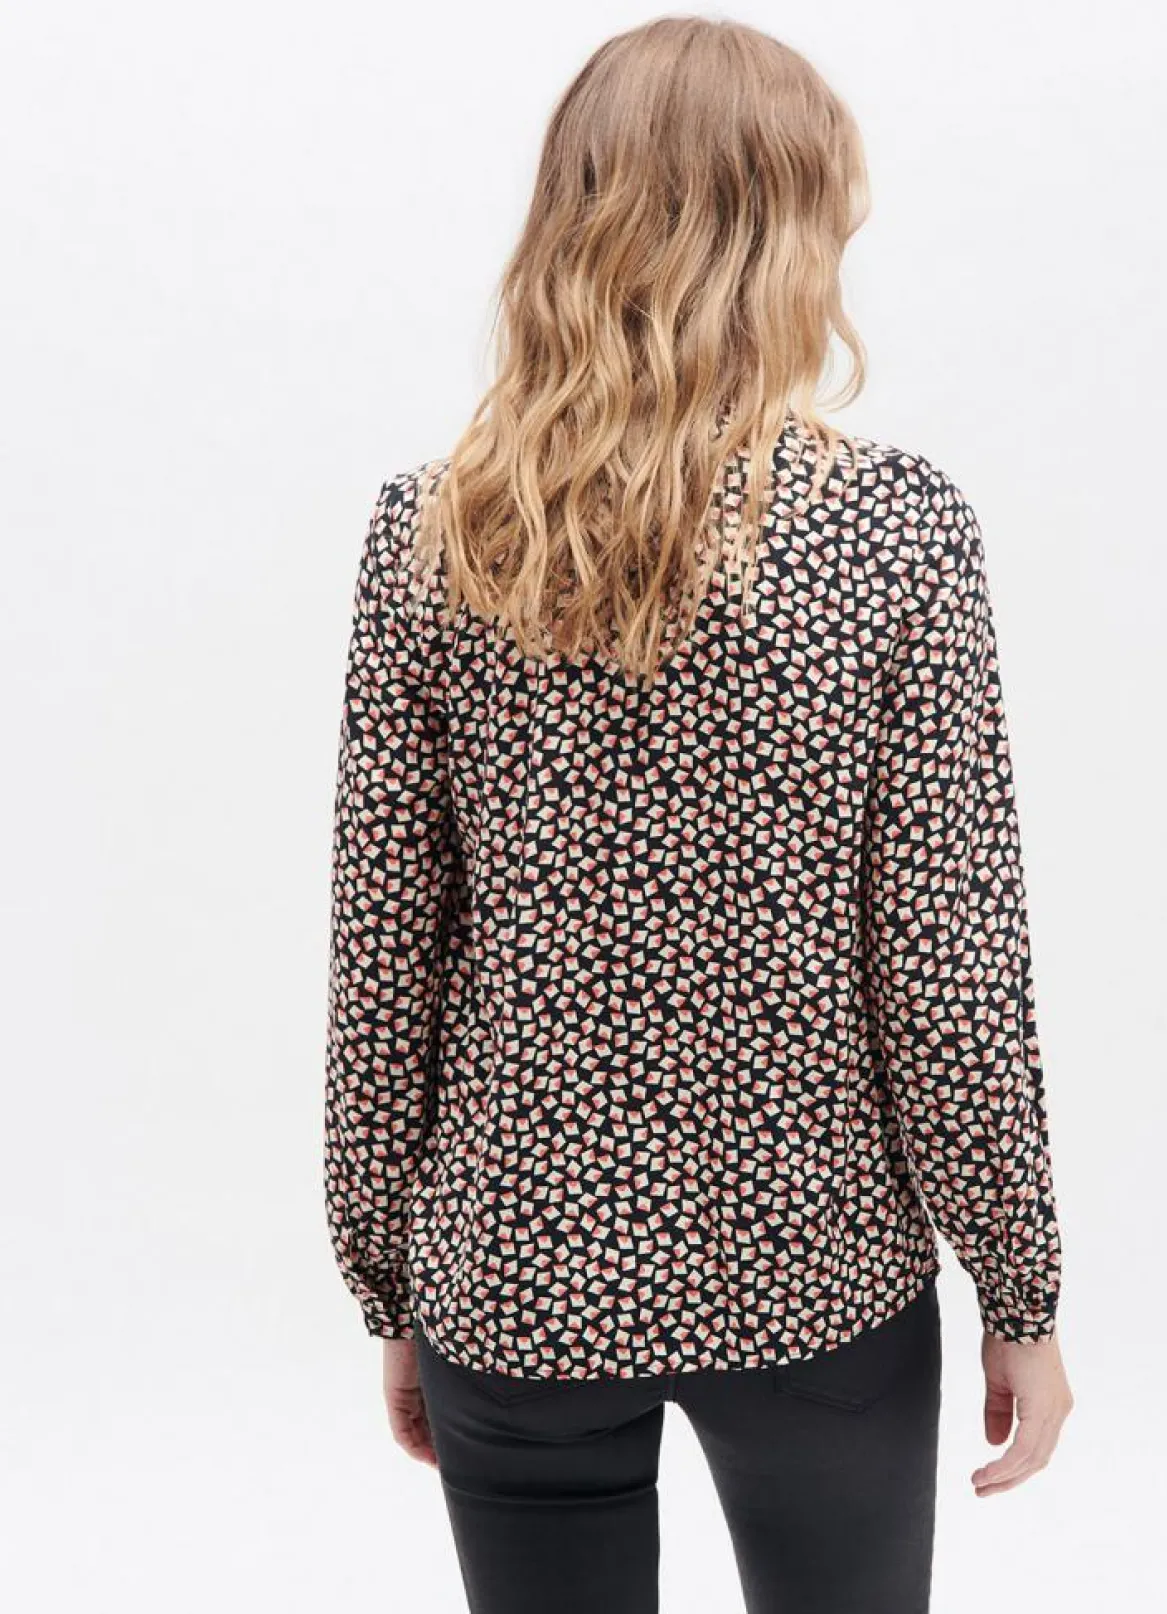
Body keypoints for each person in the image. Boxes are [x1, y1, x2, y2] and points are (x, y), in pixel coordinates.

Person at [322, 15, 1072, 1613]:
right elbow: (947, 968)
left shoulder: (432, 537)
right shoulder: (896, 533)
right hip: (816, 1270)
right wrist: (1020, 1288)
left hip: (513, 1271)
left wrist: (392, 1280)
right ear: (784, 234)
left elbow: (383, 957)